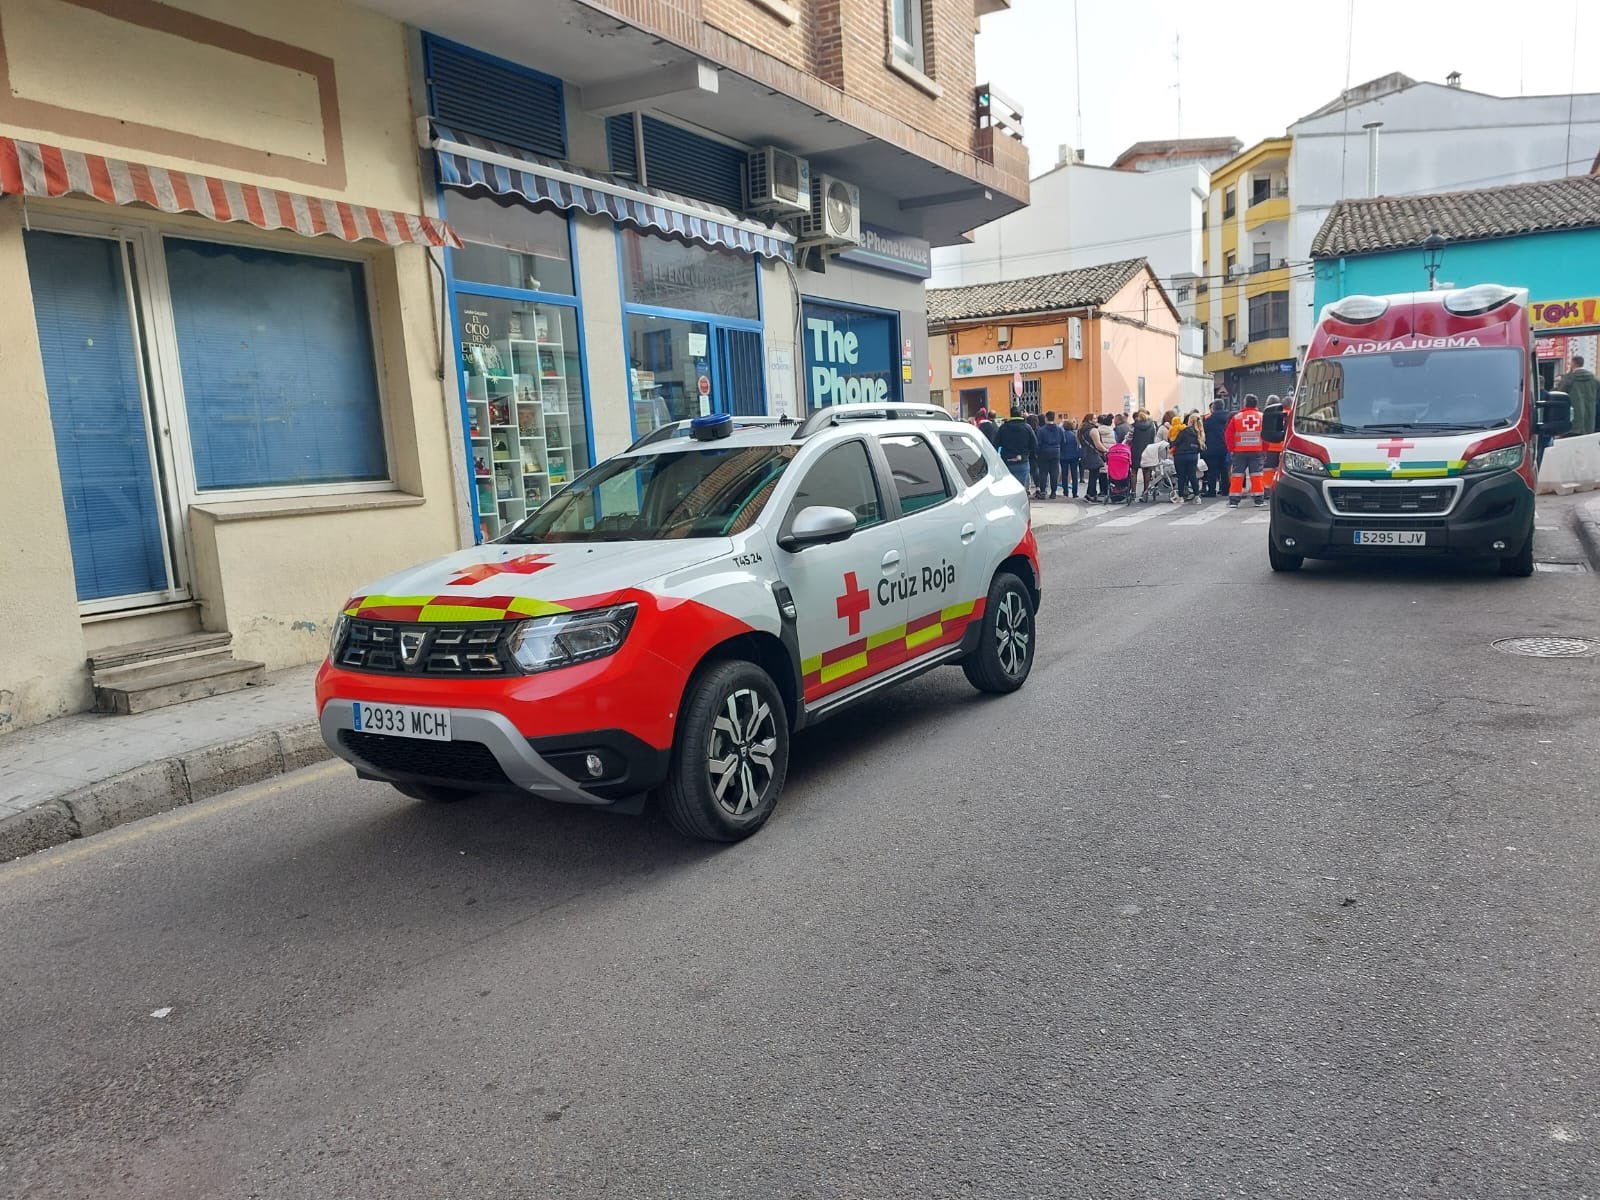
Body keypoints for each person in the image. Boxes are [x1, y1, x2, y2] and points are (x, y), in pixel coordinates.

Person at [1225, 393, 1267, 508]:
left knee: (1237, 476)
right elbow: (1267, 435)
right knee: (1257, 475)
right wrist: (1265, 449)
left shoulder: (1237, 417)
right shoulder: (1262, 417)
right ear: (1256, 404)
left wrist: (1231, 449)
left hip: (1239, 452)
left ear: (1245, 403)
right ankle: (1259, 500)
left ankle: (1234, 501)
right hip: (1257, 452)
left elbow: (1228, 435)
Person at [994, 410, 1038, 488]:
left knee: (1008, 488)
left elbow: (995, 444)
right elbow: (1034, 445)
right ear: (1020, 415)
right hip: (1022, 461)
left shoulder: (1003, 428)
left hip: (1007, 462)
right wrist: (1026, 453)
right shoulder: (1027, 427)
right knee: (1020, 488)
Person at [1558, 355, 1598, 438]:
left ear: (1573, 363)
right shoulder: (1594, 379)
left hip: (1573, 423)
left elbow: (1560, 394)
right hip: (1589, 423)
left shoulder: (1569, 378)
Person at [1172, 410, 1204, 503]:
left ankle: (1181, 497)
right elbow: (1201, 447)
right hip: (1192, 456)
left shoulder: (1184, 431)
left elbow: (1176, 442)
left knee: (1181, 477)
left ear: (1190, 421)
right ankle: (1197, 497)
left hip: (1180, 456)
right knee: (1192, 476)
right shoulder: (1199, 432)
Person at [1201, 399, 1231, 497]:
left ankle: (1212, 491)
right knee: (1224, 470)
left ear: (1213, 407)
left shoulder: (1209, 419)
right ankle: (1225, 490)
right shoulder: (1228, 417)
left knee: (1212, 471)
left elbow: (1203, 431)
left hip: (1212, 448)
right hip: (1225, 447)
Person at [1035, 411, 1067, 499]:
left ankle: (1042, 492)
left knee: (1043, 472)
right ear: (1054, 418)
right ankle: (1053, 492)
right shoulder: (1059, 429)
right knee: (1054, 472)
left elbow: (1039, 443)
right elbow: (1063, 441)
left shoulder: (1041, 430)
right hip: (1056, 451)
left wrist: (1037, 453)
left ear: (1046, 418)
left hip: (1044, 452)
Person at [1128, 409, 1158, 498]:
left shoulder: (1134, 426)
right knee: (1147, 471)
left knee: (1134, 471)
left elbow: (1130, 438)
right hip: (1148, 450)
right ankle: (1145, 491)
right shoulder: (1152, 426)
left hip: (1136, 450)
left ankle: (1133, 492)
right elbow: (1154, 438)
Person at [1079, 413, 1107, 501]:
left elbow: (1079, 443)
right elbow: (1098, 444)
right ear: (1089, 420)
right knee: (1094, 475)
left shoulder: (1080, 430)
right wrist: (1106, 450)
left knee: (1092, 474)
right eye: (1094, 419)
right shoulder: (1093, 430)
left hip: (1085, 453)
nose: (1096, 420)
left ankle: (1089, 493)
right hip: (1093, 454)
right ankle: (1091, 494)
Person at [1060, 416, 1082, 498]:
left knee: (1064, 475)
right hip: (1074, 456)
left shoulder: (1062, 435)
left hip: (1064, 457)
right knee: (1074, 475)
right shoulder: (1075, 435)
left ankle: (1065, 492)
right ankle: (1075, 493)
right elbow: (1079, 445)